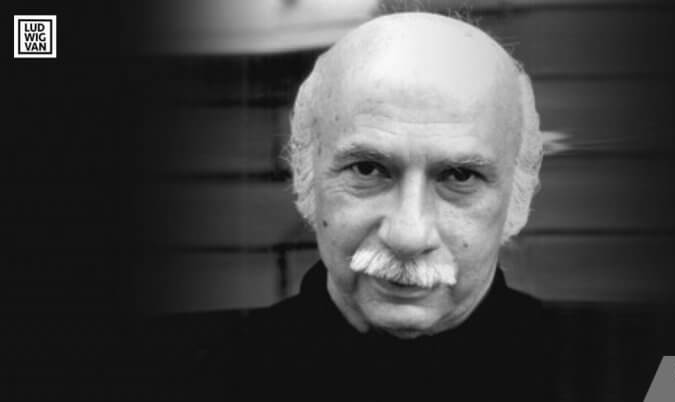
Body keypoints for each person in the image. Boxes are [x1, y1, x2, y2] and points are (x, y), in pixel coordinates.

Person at [139, 11, 552, 402]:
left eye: (459, 176)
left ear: (518, 195)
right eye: (368, 169)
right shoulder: (177, 377)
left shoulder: (585, 371)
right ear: (306, 176)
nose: (408, 235)